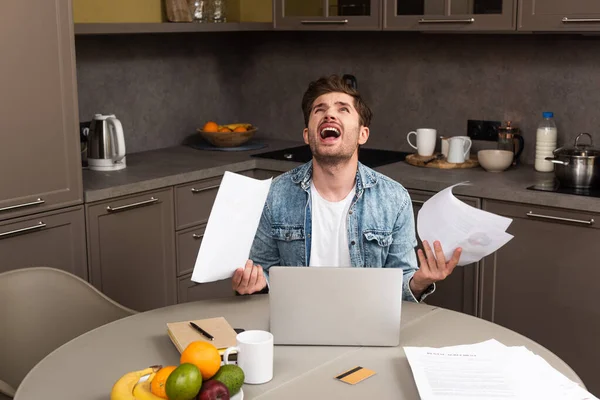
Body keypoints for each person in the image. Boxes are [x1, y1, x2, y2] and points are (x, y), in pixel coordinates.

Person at [232, 74, 462, 302]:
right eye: (319, 109)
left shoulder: (394, 199)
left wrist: (420, 281)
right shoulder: (275, 195)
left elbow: (400, 285)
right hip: (293, 328)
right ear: (306, 135)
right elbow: (263, 275)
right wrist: (254, 284)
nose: (329, 114)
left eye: (343, 109)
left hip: (369, 328)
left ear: (363, 134)